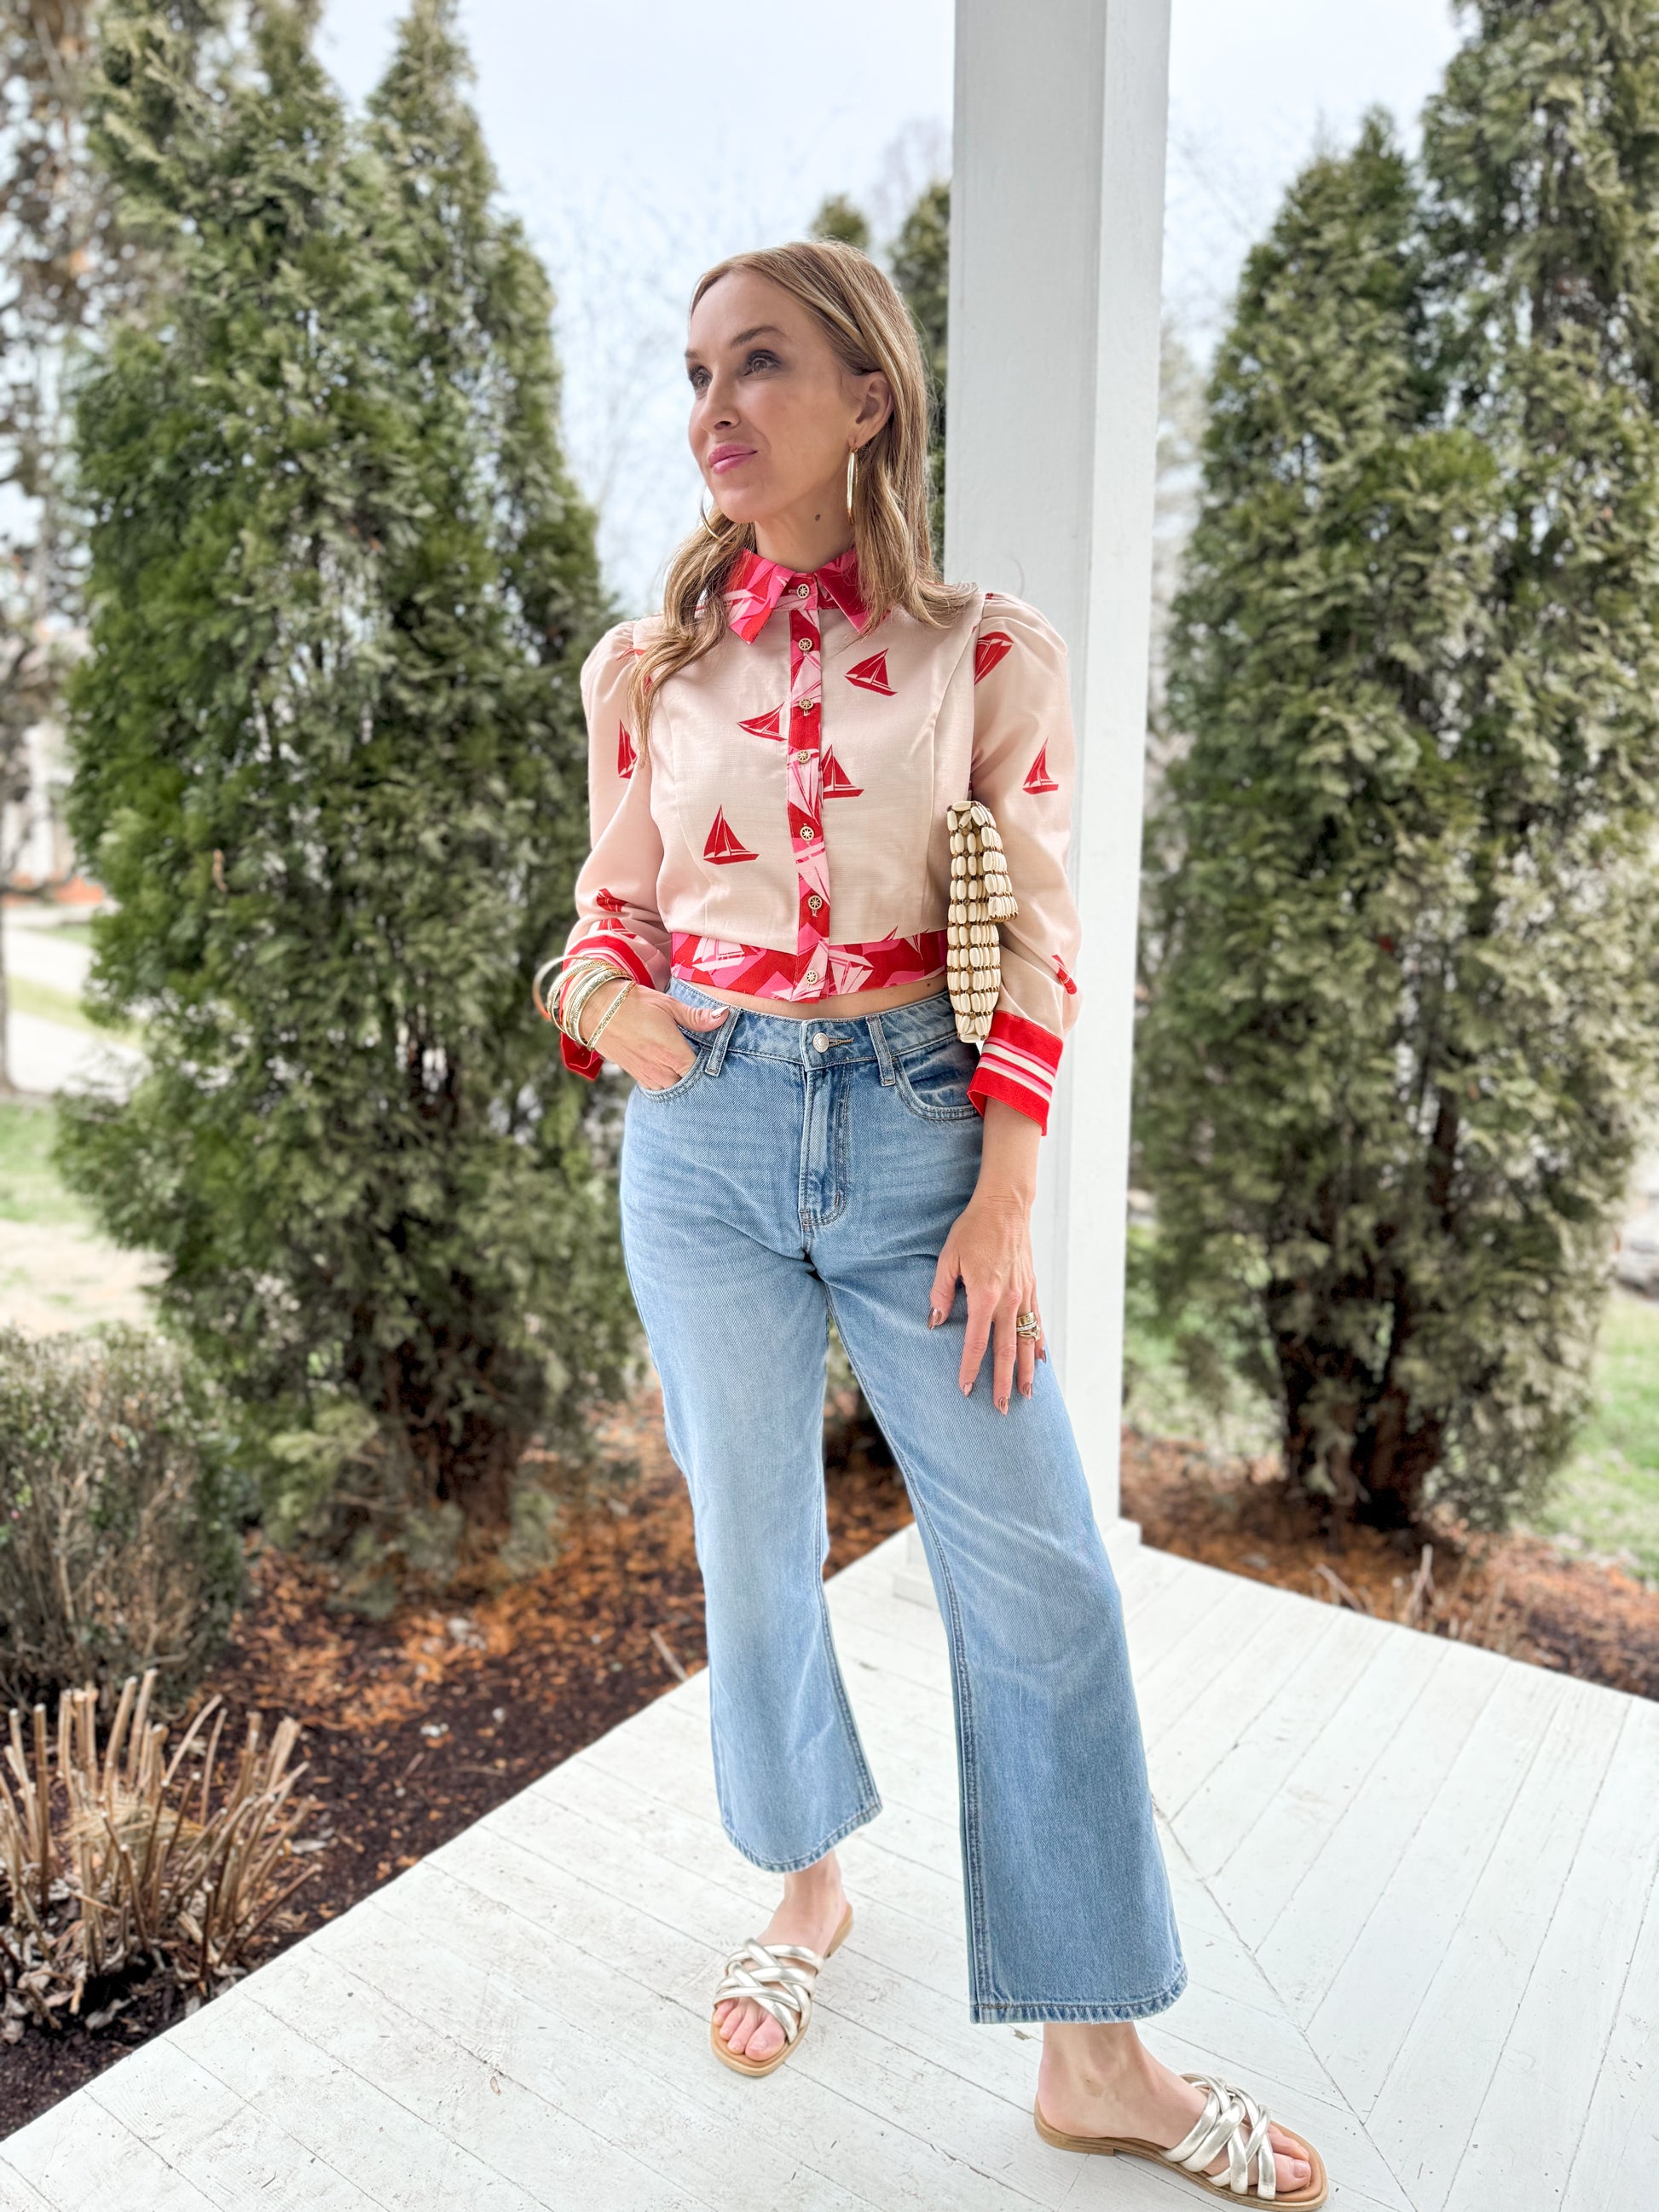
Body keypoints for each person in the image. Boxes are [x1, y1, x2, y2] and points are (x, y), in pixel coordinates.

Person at [538, 239, 1326, 2207]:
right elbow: (599, 914)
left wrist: (1004, 1186)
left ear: (871, 396)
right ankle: (805, 1888)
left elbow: (1042, 936)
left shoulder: (991, 653)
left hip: (911, 1132)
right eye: (696, 368)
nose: (714, 407)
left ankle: (1094, 2049)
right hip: (700, 1136)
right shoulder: (644, 670)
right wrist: (606, 1001)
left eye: (763, 365)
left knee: (1040, 1571)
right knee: (755, 1535)